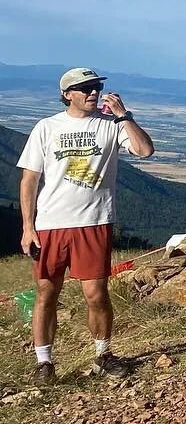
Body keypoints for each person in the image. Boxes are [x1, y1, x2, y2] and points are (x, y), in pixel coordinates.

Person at [17, 68, 155, 384]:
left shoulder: (111, 125)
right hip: (51, 224)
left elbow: (145, 150)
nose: (93, 92)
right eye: (85, 88)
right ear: (67, 94)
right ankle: (44, 363)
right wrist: (28, 226)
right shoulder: (46, 127)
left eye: (96, 87)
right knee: (46, 294)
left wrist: (124, 116)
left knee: (96, 294)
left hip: (94, 222)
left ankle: (104, 355)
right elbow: (29, 179)